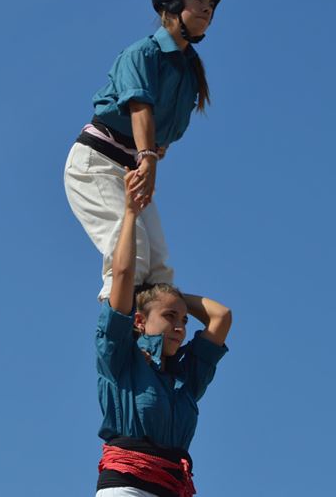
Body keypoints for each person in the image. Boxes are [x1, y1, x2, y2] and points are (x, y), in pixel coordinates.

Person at [64, 0, 223, 300]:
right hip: (99, 162)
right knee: (130, 254)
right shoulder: (143, 53)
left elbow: (166, 129)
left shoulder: (189, 73)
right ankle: (116, 329)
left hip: (133, 167)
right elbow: (140, 107)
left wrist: (153, 151)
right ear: (172, 4)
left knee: (159, 270)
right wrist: (149, 155)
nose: (208, 8)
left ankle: (155, 332)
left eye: (211, 4)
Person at [95, 170, 232, 497]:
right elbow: (123, 273)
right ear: (139, 321)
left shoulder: (186, 380)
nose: (181, 327)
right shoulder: (120, 361)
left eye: (184, 320)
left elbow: (221, 316)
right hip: (127, 488)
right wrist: (130, 212)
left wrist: (168, 295)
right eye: (170, 317)